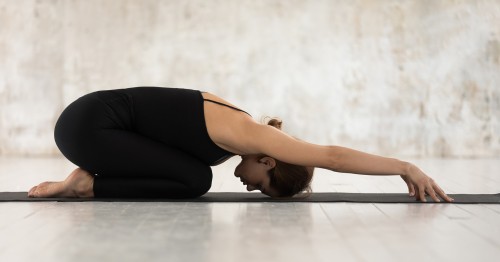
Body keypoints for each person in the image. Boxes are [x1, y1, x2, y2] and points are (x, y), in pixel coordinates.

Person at [28, 87, 453, 202]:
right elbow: (333, 157)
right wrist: (404, 167)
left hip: (92, 122)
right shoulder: (250, 136)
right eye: (263, 185)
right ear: (268, 161)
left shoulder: (239, 134)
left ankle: (88, 182)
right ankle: (84, 186)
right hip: (87, 127)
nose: (251, 187)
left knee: (195, 175)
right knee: (195, 180)